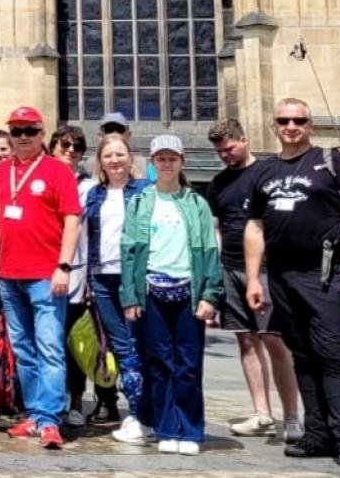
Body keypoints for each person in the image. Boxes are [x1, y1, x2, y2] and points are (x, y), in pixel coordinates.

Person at [245, 98, 340, 474]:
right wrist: (255, 278)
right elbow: (255, 228)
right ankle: (318, 433)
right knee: (302, 356)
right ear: (274, 126)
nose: (291, 126)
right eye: (283, 120)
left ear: (310, 124)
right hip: (283, 277)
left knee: (334, 357)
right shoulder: (264, 171)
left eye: (298, 120)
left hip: (325, 274)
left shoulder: (333, 162)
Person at [0, 105, 80, 450]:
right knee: (24, 350)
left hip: (45, 274)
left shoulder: (58, 171)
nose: (22, 137)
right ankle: (36, 414)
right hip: (9, 275)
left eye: (29, 131)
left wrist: (64, 266)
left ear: (42, 134)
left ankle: (51, 419)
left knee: (50, 348)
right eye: (16, 131)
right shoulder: (1, 172)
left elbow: (73, 219)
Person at [120, 136, 220, 456]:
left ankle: (190, 429)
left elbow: (208, 251)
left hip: (188, 292)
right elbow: (129, 251)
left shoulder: (196, 203)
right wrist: (130, 296)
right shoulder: (140, 202)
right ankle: (165, 428)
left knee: (189, 365)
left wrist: (210, 295)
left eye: (172, 158)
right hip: (152, 293)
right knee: (160, 364)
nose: (166, 164)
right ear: (152, 162)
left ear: (182, 161)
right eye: (160, 159)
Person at [207, 118, 303, 439]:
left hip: (265, 268)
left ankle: (291, 417)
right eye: (220, 151)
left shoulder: (268, 174)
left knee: (274, 340)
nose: (225, 155)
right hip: (230, 266)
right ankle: (262, 414)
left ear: (245, 140)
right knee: (245, 340)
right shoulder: (219, 183)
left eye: (230, 149)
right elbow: (217, 228)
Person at [83, 132, 150, 442]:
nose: (114, 160)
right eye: (108, 156)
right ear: (100, 161)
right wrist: (86, 280)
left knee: (141, 344)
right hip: (102, 276)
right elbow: (86, 239)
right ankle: (136, 412)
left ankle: (147, 412)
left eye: (119, 154)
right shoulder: (94, 194)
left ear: (130, 157)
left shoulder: (144, 191)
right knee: (121, 347)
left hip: (133, 277)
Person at [49, 124, 95, 426]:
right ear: (52, 147)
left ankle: (76, 399)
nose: (70, 151)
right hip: (42, 268)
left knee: (73, 338)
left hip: (76, 270)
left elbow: (93, 234)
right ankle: (52, 399)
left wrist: (91, 276)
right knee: (48, 337)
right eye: (64, 145)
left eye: (76, 147)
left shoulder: (89, 188)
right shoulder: (42, 179)